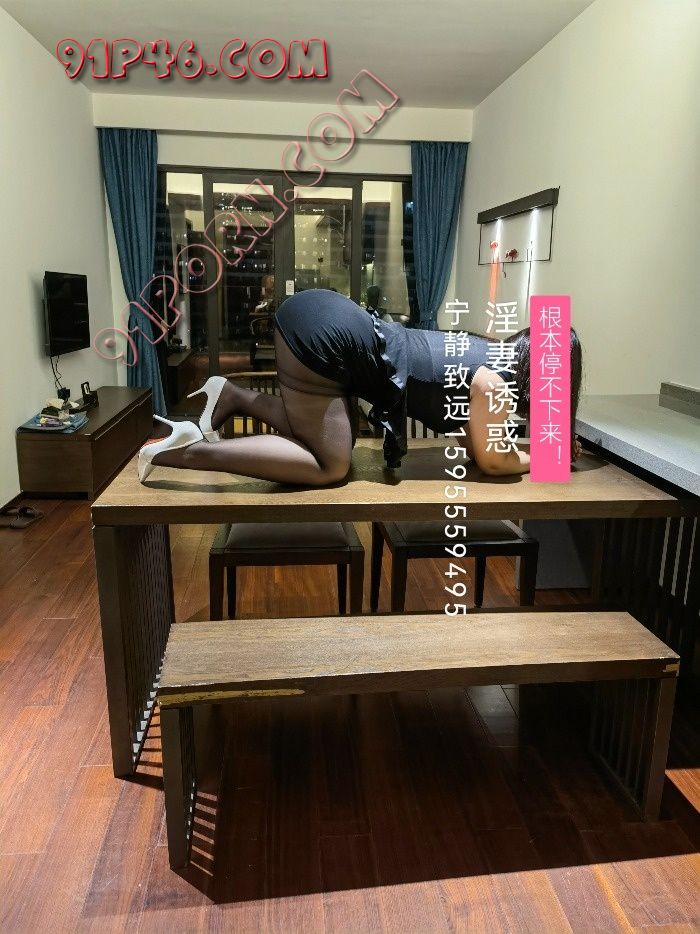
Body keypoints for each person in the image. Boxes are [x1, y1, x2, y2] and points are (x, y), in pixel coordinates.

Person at [138, 289, 583, 487]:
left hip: (323, 317)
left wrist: (537, 447)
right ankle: (187, 450)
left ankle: (231, 396)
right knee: (331, 465)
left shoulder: (490, 353)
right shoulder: (496, 382)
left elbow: (475, 442)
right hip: (328, 335)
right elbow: (491, 461)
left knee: (326, 435)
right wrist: (546, 456)